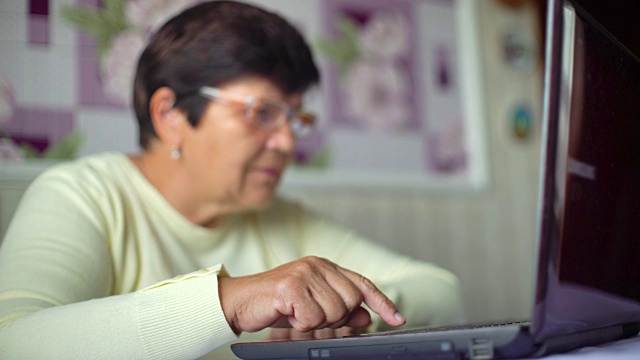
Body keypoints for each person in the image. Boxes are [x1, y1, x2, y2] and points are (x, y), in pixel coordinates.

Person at [0, 1, 463, 359]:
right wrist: (231, 302)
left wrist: (349, 311)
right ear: (171, 115)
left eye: (294, 117)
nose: (287, 142)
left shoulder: (283, 219)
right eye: (261, 113)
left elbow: (441, 291)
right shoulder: (85, 195)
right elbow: (13, 342)